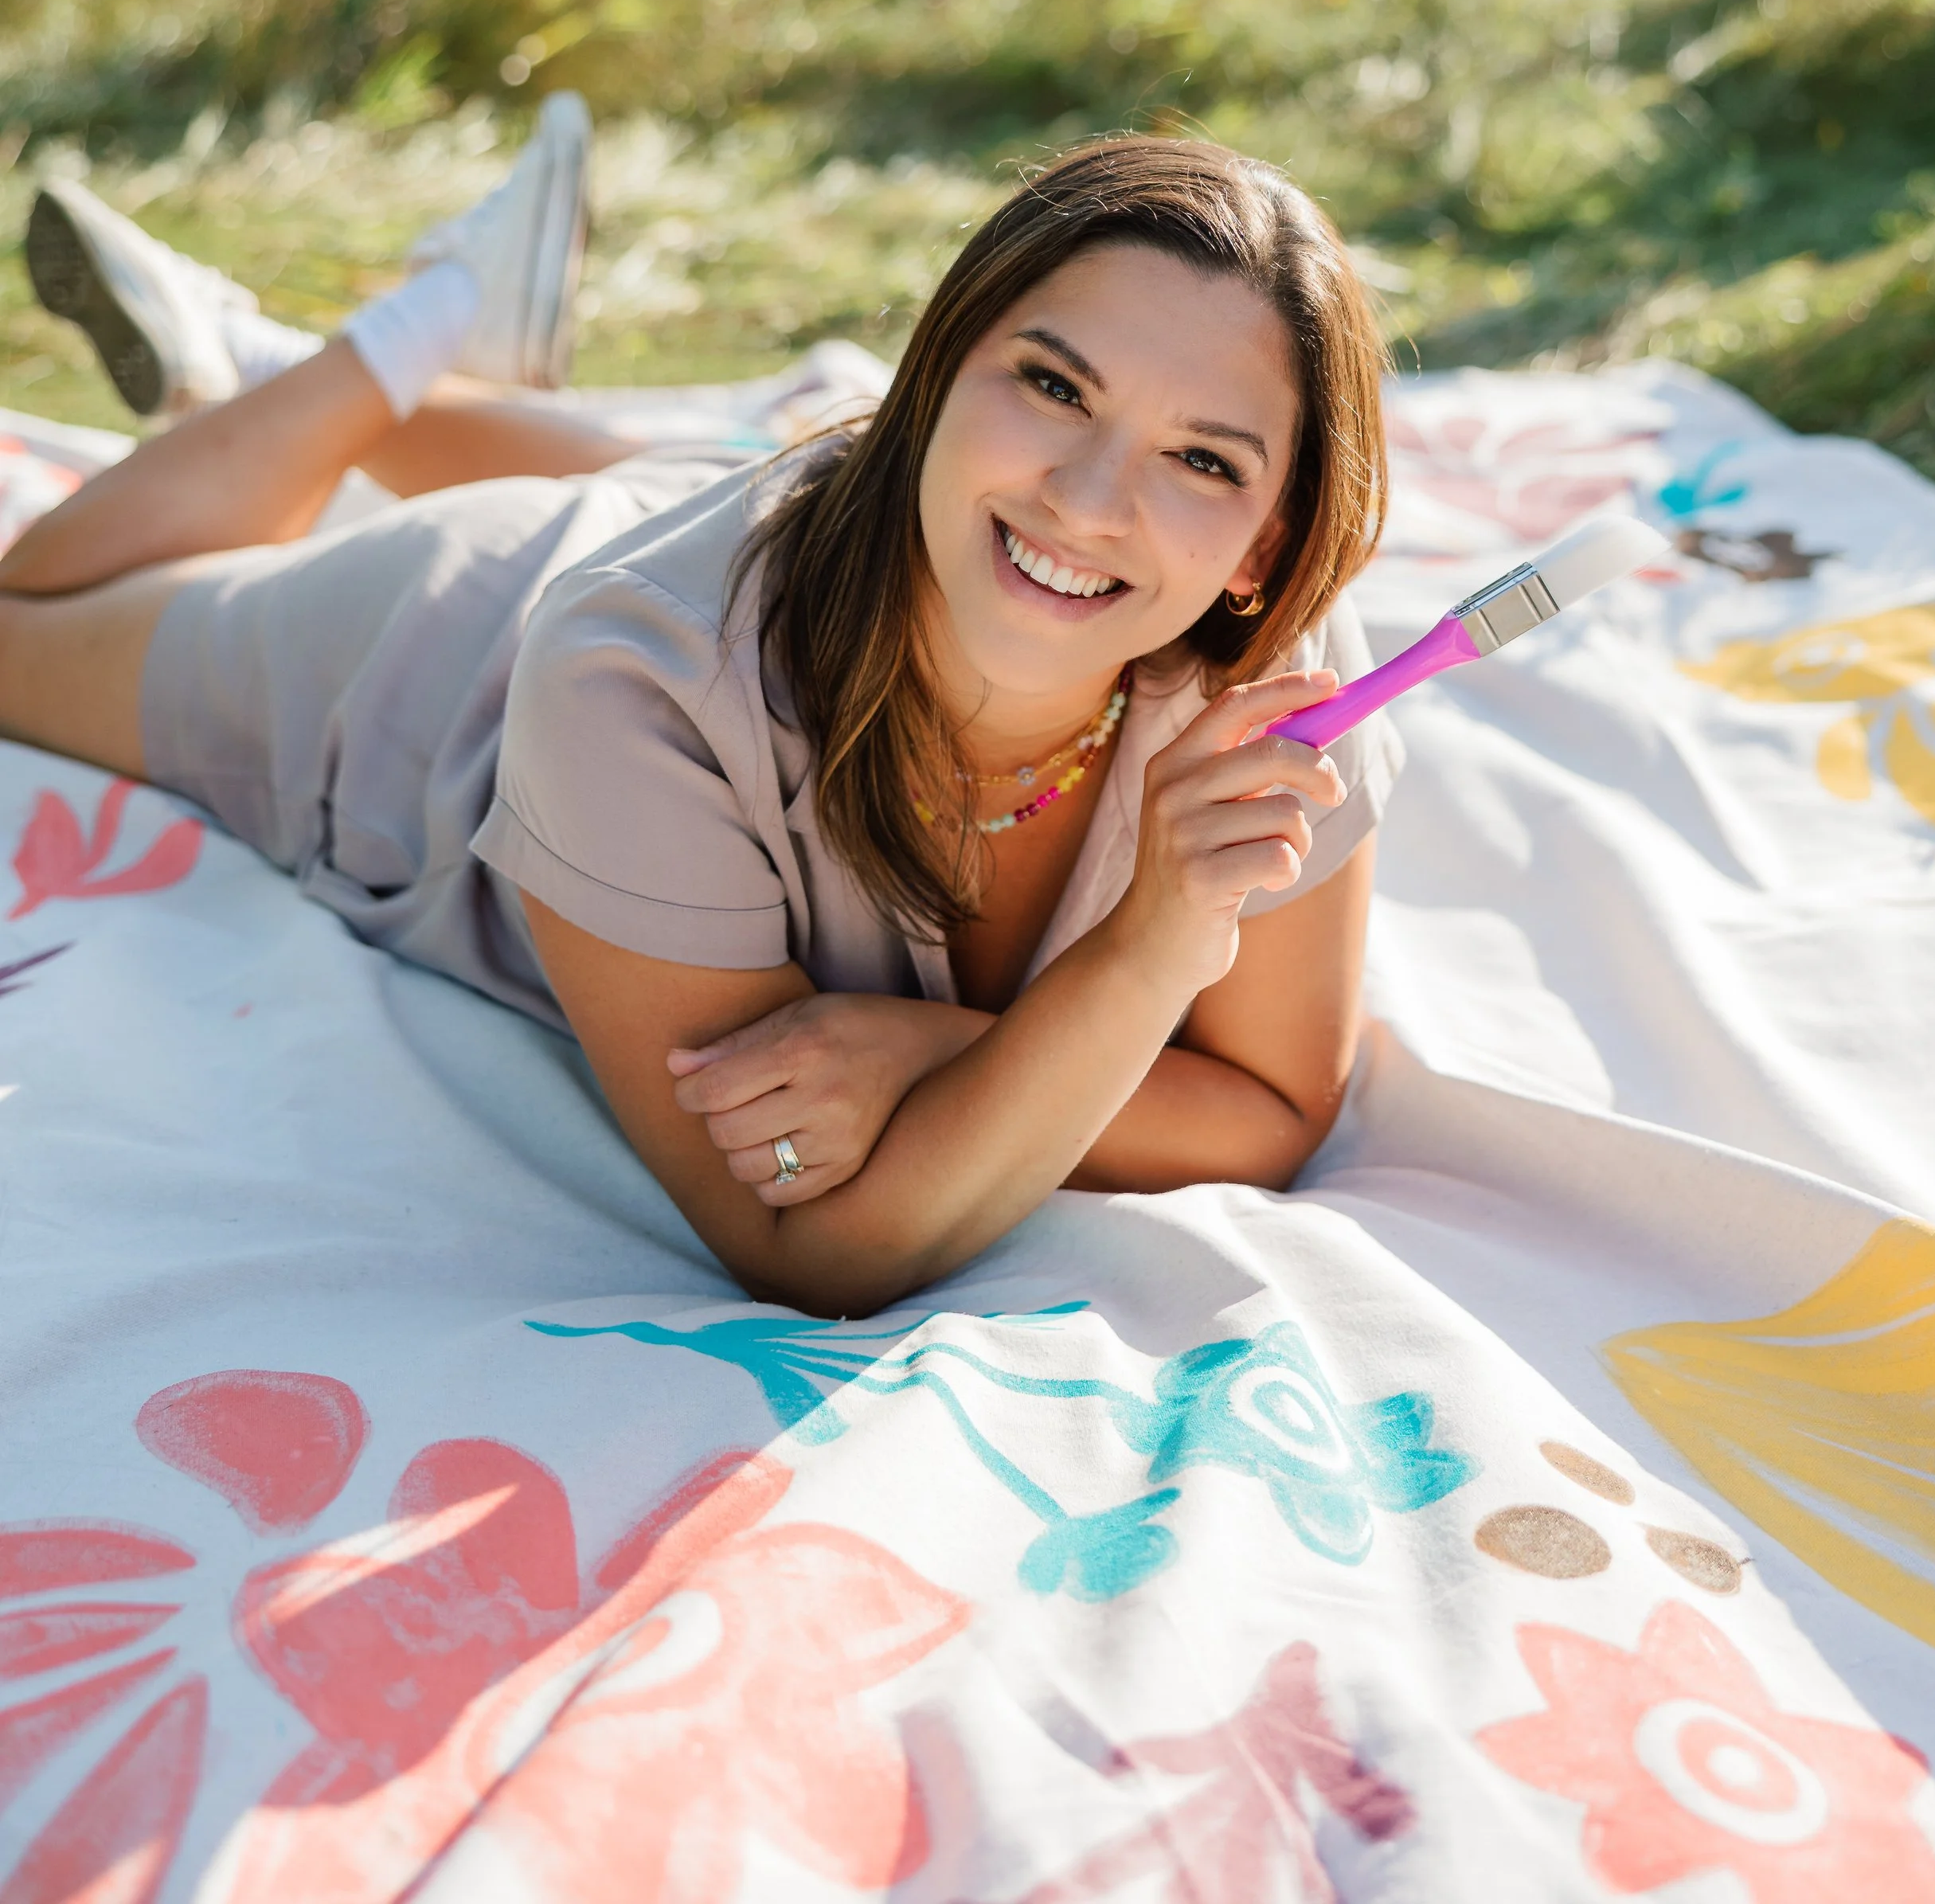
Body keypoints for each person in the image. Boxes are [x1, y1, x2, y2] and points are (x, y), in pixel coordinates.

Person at [1, 119, 1399, 1320]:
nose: (1091, 498)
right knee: (22, 630)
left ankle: (248, 357)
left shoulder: (1275, 692)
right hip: (456, 666)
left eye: (1201, 458)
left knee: (730, 483)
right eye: (1051, 383)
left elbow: (1275, 1105)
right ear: (933, 377)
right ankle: (406, 331)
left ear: (1268, 548)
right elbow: (807, 1236)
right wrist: (1148, 956)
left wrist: (939, 1050)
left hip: (813, 527)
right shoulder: (630, 680)